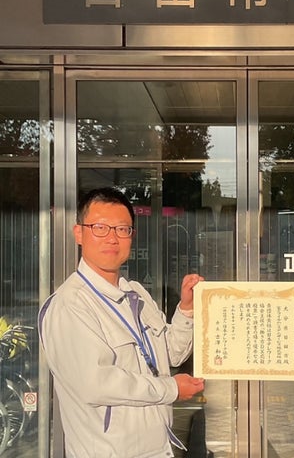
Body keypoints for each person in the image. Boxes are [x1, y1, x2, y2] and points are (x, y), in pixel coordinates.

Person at [38, 187, 205, 458]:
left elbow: (171, 354)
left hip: (158, 449)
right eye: (100, 227)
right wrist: (171, 389)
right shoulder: (70, 305)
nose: (112, 238)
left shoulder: (135, 293)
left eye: (122, 229)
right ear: (78, 233)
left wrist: (187, 309)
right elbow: (96, 383)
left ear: (132, 236)